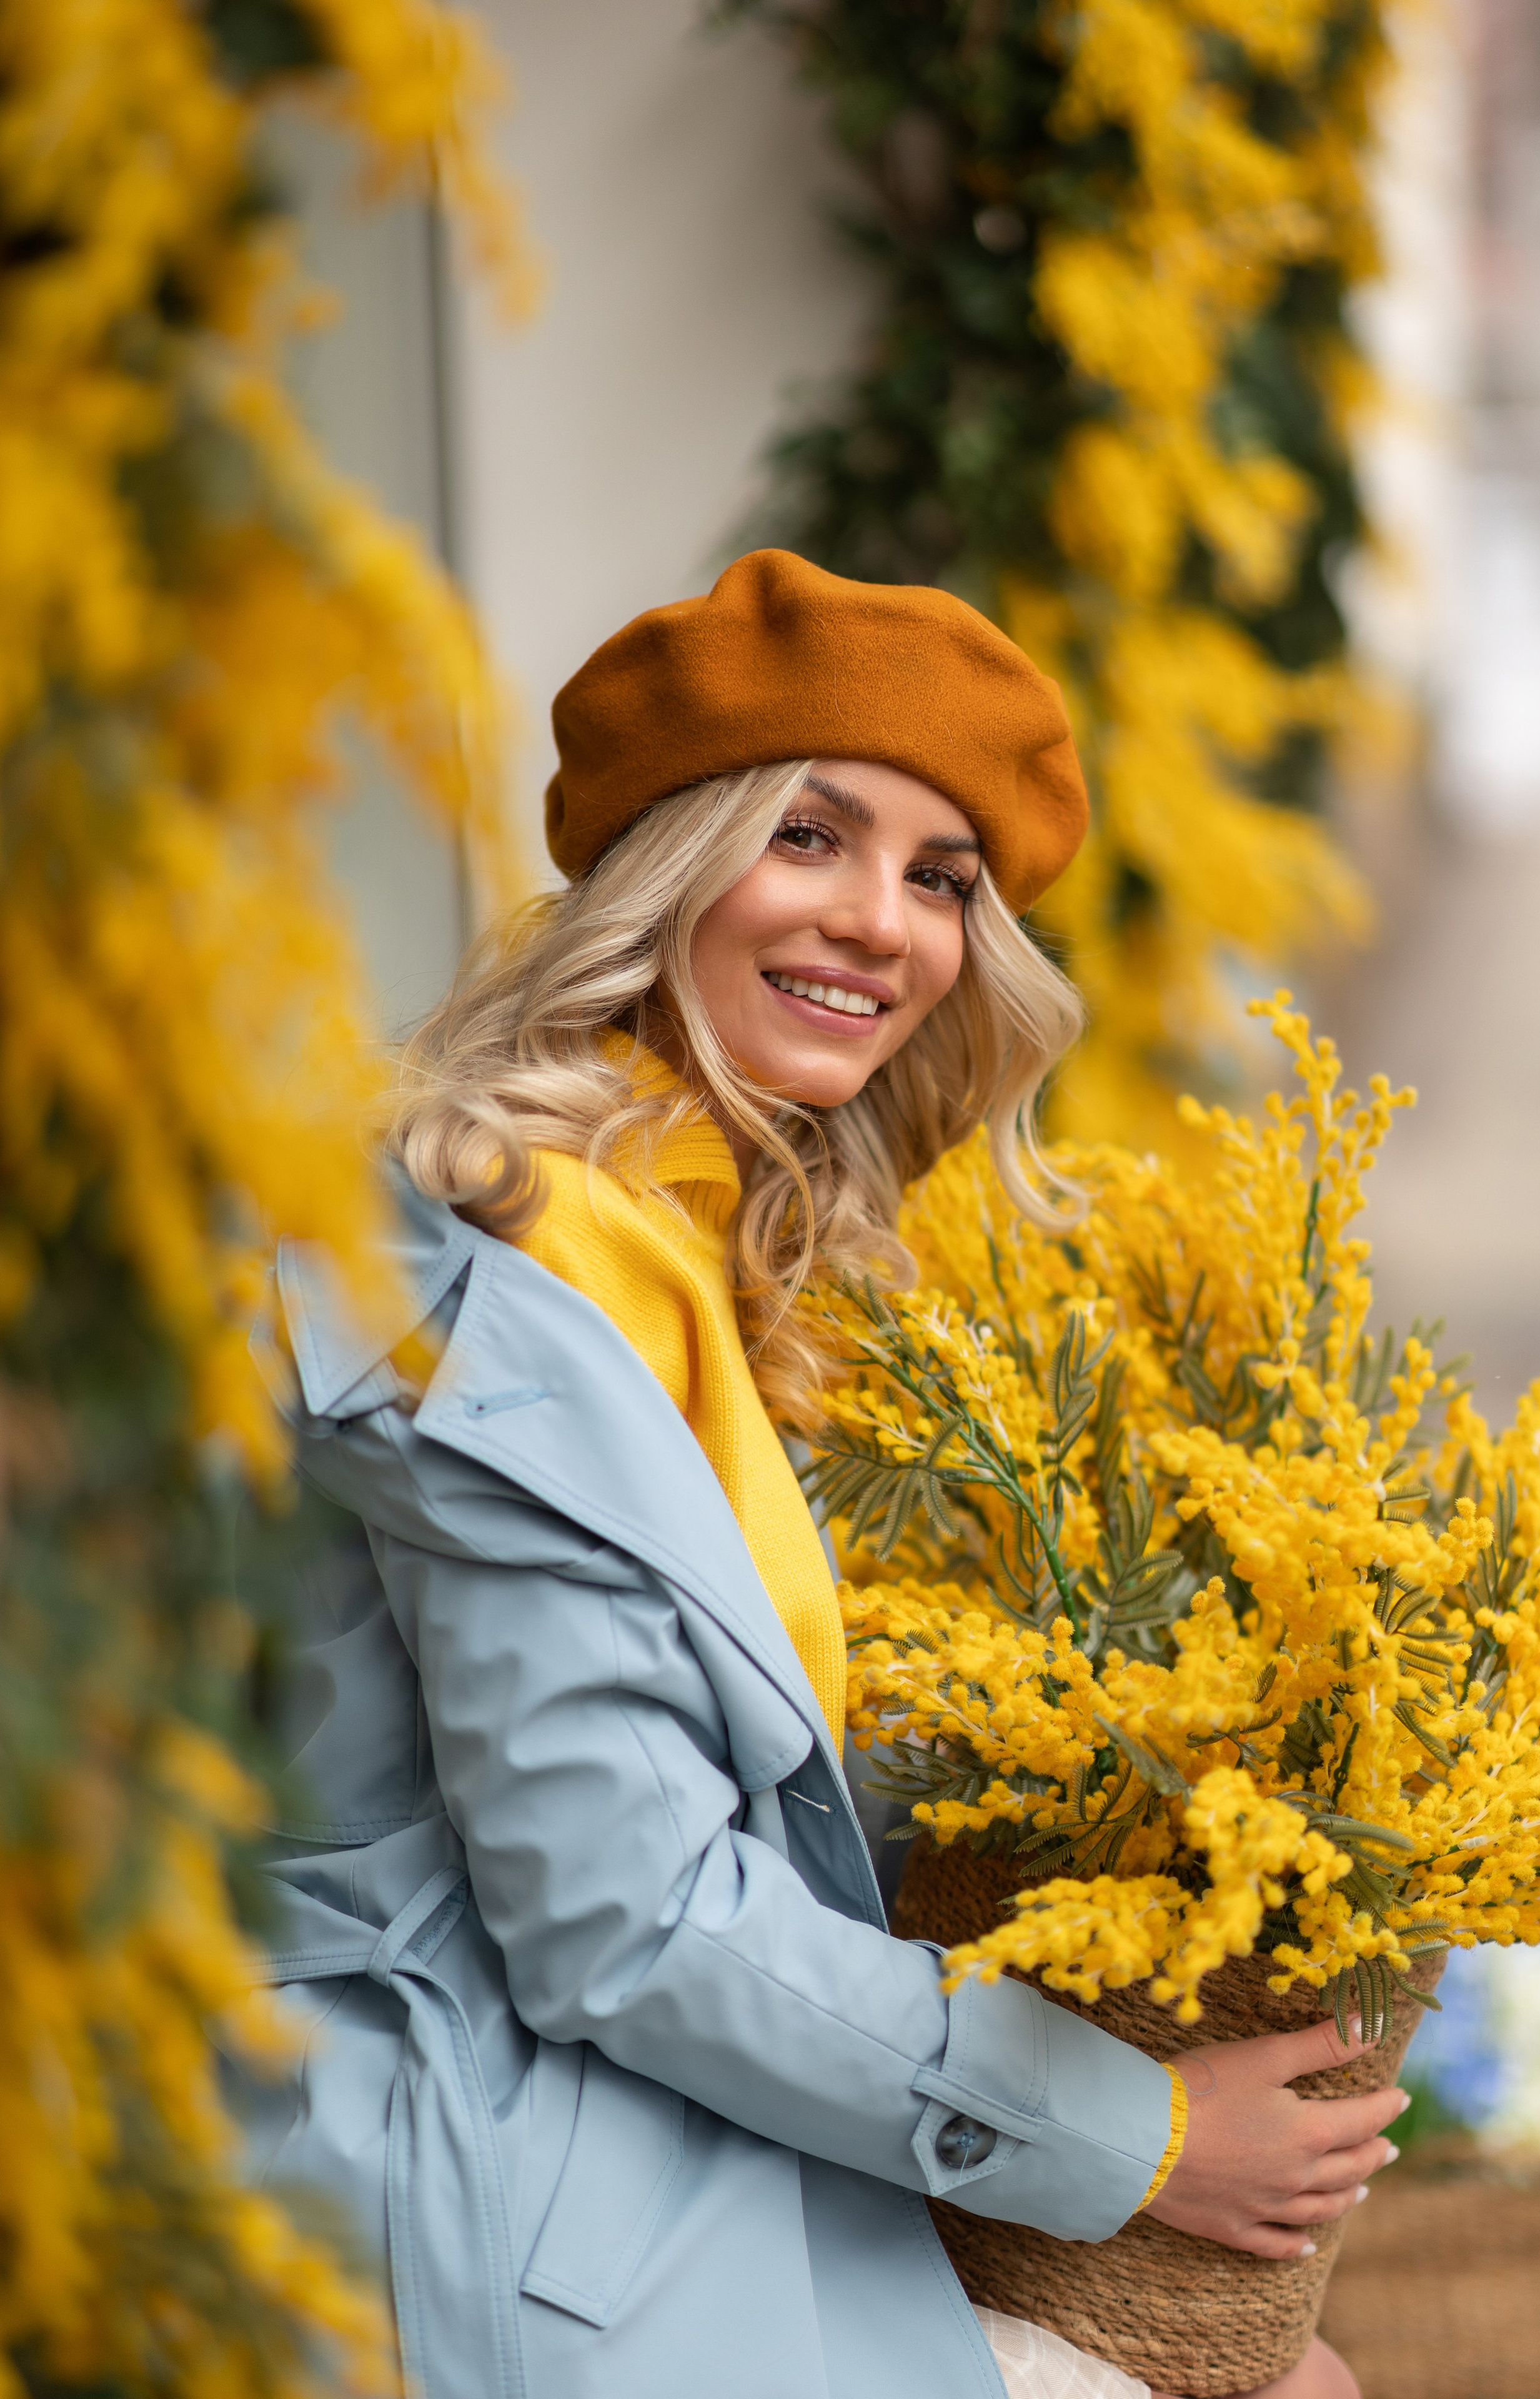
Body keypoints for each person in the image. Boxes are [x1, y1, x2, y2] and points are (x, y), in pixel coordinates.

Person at [244, 551, 1406, 2399]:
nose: (885, 922)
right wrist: (1145, 2138)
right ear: (664, 869)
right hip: (468, 2192)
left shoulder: (697, 1242)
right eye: (808, 837)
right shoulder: (502, 1274)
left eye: (942, 880)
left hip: (593, 2141)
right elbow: (623, 1919)